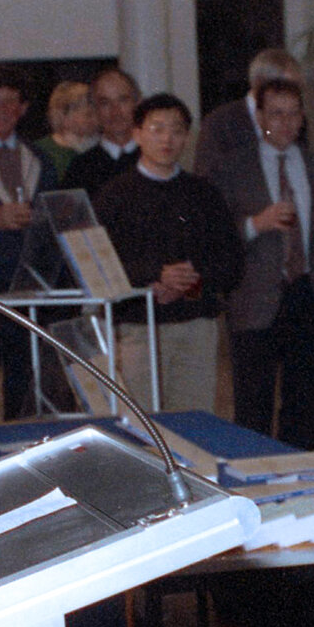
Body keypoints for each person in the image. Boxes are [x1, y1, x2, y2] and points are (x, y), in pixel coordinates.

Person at [213, 79, 314, 448]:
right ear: (259, 117)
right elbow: (217, 235)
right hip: (255, 298)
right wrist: (256, 224)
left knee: (306, 403)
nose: (286, 123)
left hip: (311, 295)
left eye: (293, 114)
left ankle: (299, 481)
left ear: (303, 117)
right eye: (276, 114)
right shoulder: (233, 168)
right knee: (253, 404)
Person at [94, 93, 243, 413]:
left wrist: (191, 281)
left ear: (187, 137)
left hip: (195, 327)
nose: (167, 139)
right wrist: (154, 277)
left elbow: (231, 261)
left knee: (194, 424)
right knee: (139, 424)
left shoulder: (204, 193)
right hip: (137, 328)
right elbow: (102, 262)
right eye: (157, 129)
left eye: (176, 130)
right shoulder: (114, 195)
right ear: (137, 134)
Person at [0, 65, 51, 412]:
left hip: (31, 290)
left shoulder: (40, 159)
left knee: (27, 392)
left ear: (24, 109)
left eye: (10, 103)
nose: (2, 111)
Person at [195, 46, 302, 182]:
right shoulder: (220, 123)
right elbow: (208, 179)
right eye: (285, 88)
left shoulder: (297, 120)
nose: (293, 95)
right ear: (259, 84)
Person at [64, 67, 142, 197]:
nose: (115, 112)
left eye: (123, 100)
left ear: (137, 103)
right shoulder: (80, 169)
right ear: (94, 109)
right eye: (105, 103)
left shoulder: (155, 161)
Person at [37, 78, 98, 181]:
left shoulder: (103, 147)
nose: (88, 111)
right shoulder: (41, 151)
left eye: (92, 104)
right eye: (77, 107)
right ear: (60, 114)